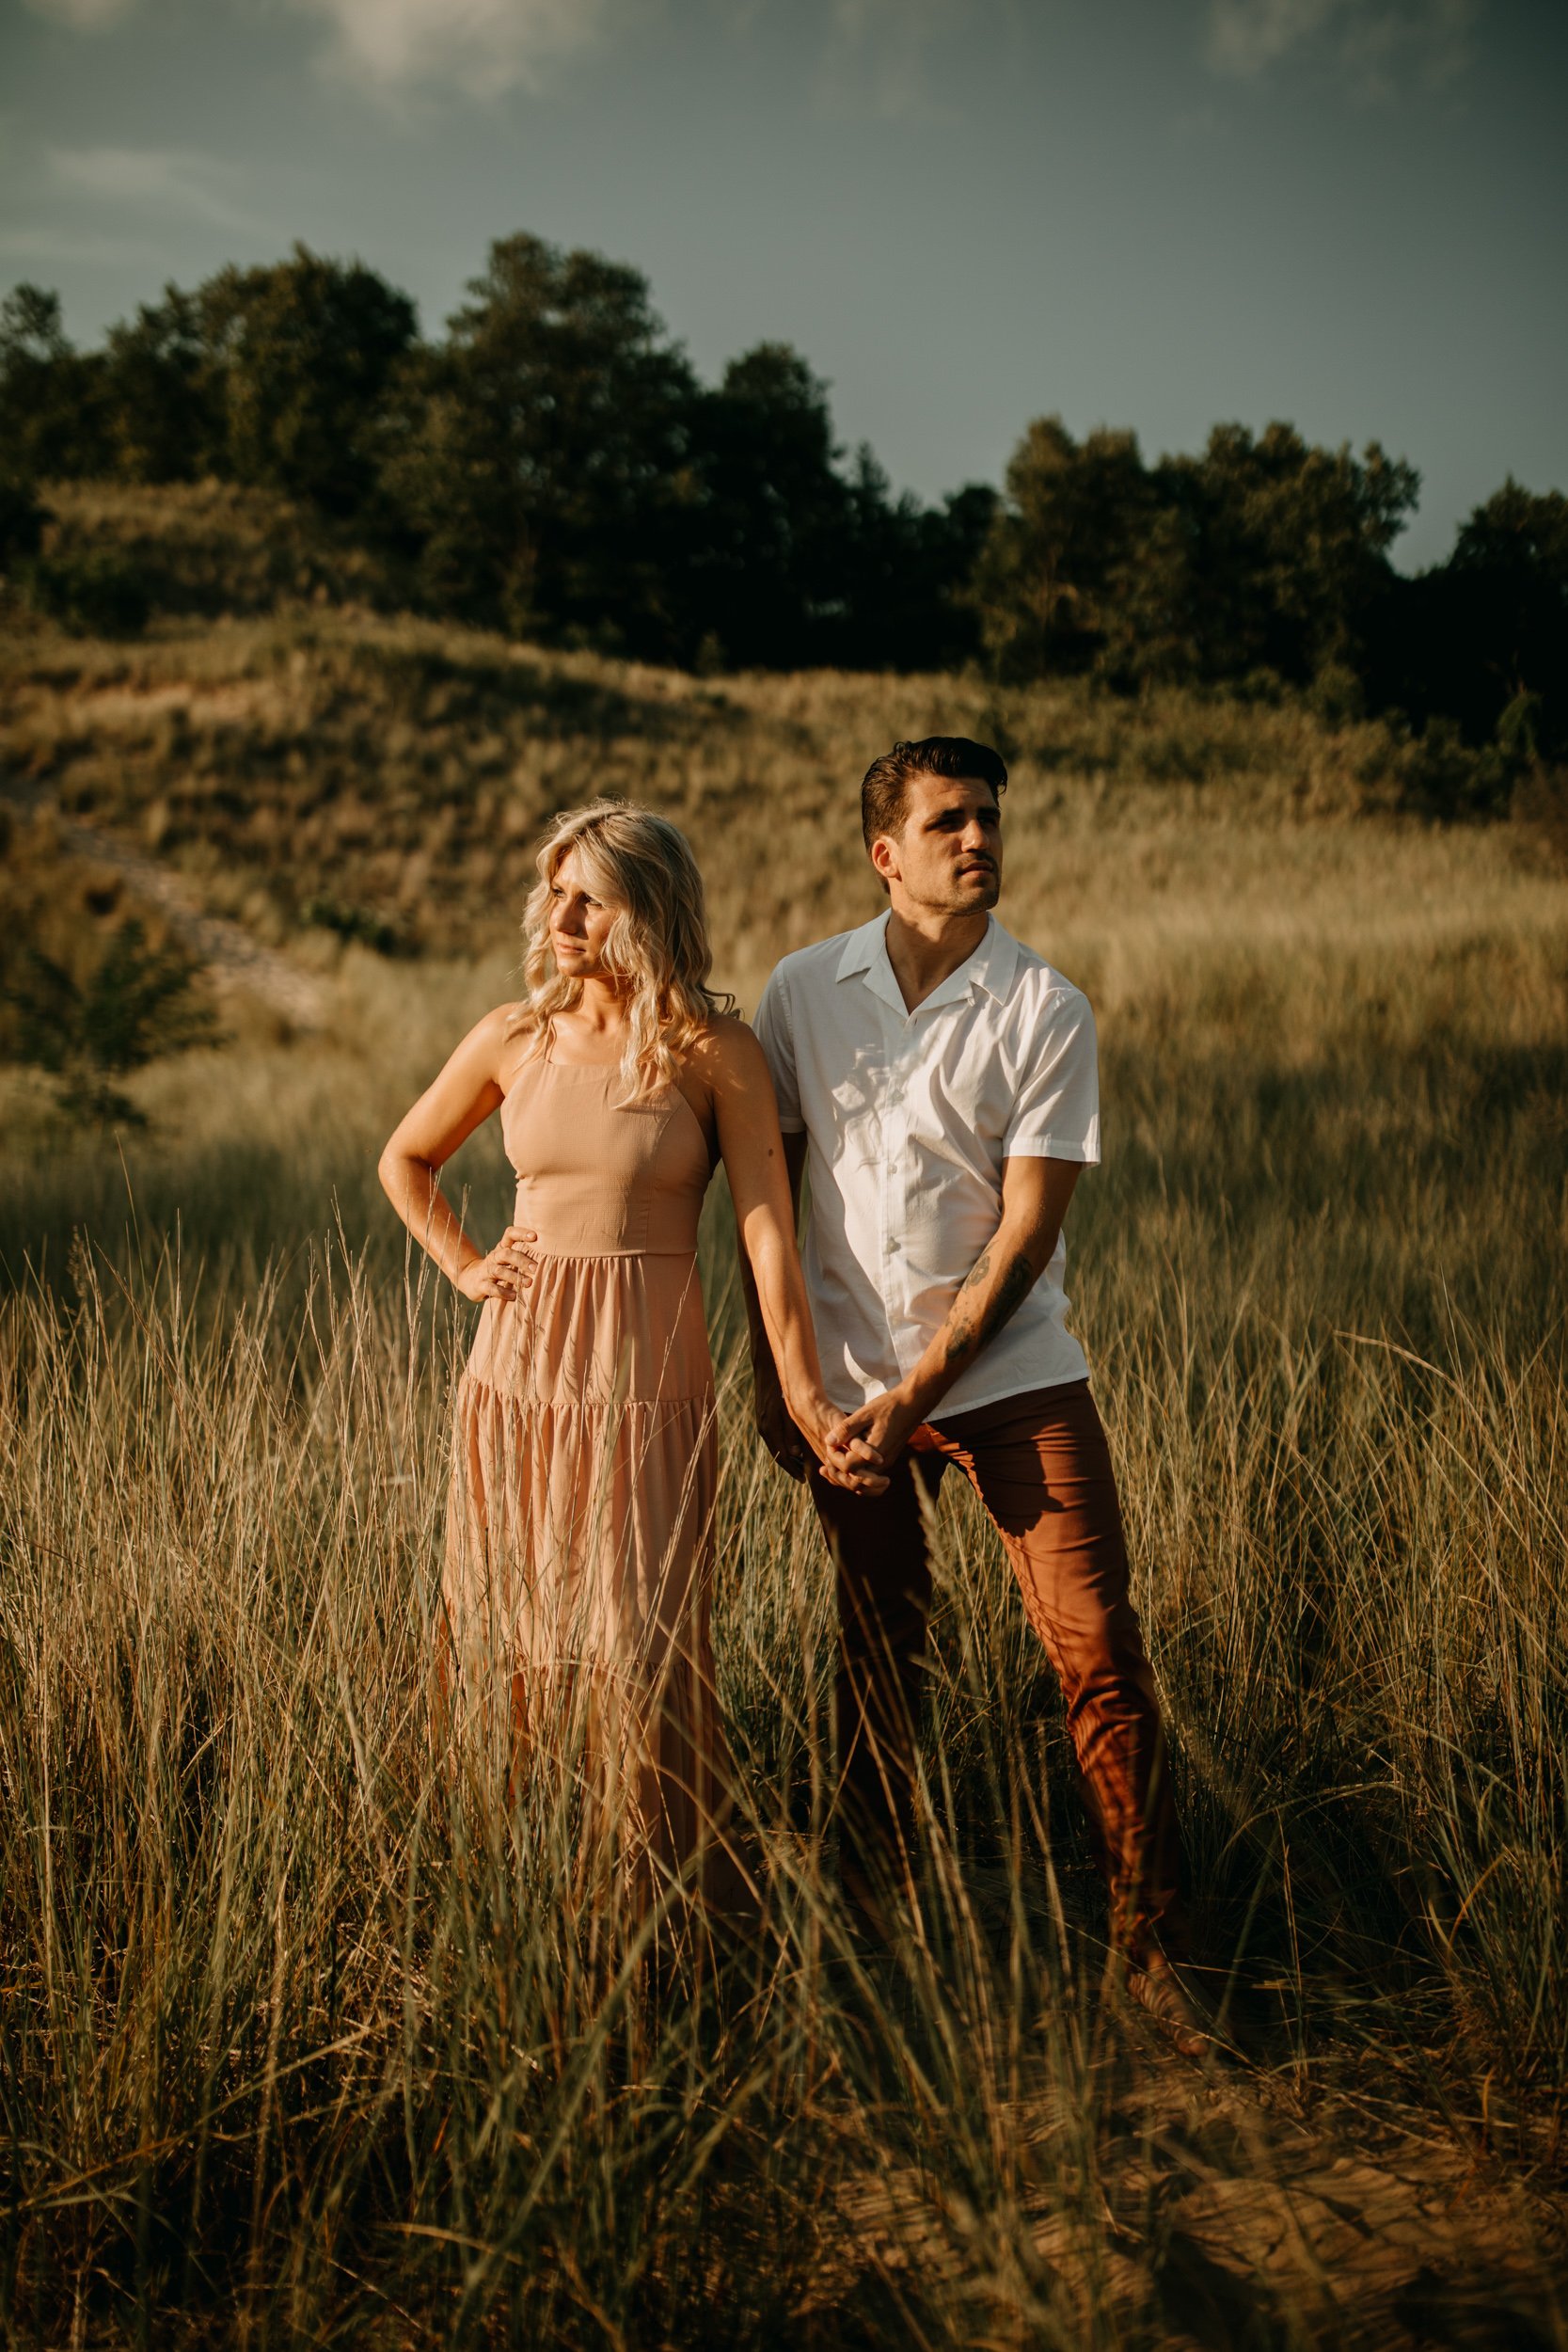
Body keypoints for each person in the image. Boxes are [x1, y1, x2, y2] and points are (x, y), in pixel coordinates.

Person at [748, 737, 1207, 2050]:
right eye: (947, 821)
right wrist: (782, 1381)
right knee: (877, 1655)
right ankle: (873, 1919)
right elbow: (766, 1202)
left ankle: (1154, 1952)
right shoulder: (799, 993)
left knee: (1095, 1652)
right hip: (842, 1390)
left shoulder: (1042, 1006)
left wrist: (925, 1390)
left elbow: (1020, 1241)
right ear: (882, 854)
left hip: (1007, 1378)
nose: (977, 841)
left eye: (988, 820)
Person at [379, 798, 877, 1925]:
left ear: (646, 909)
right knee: (513, 1626)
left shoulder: (714, 1051)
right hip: (515, 1382)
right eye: (552, 892)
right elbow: (404, 1158)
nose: (559, 915)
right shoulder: (514, 1035)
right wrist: (464, 1267)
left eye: (585, 896)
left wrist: (801, 1393)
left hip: (646, 1389)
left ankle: (646, 1901)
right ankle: (515, 1889)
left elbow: (765, 1235)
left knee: (638, 1641)